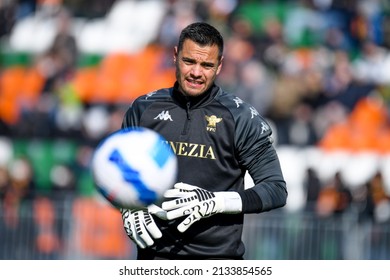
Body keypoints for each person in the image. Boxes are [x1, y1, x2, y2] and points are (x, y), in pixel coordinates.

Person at [120, 22, 287, 260]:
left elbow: (275, 189)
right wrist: (128, 205)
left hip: (218, 262)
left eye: (207, 65)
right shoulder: (143, 109)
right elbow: (117, 172)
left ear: (219, 66)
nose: (197, 73)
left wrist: (217, 202)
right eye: (189, 61)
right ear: (175, 56)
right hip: (153, 259)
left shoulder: (240, 117)